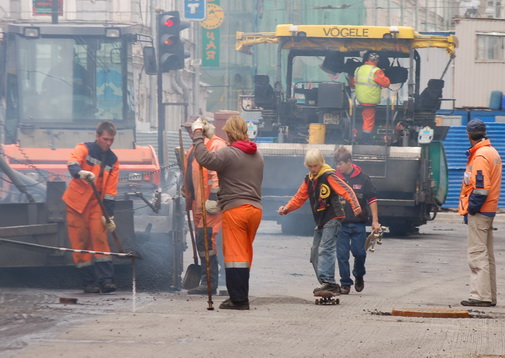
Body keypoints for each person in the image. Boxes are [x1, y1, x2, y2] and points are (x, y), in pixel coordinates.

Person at [191, 115, 263, 310]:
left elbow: (204, 158)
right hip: (255, 210)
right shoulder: (257, 155)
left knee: (234, 257)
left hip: (236, 210)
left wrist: (198, 134)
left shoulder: (230, 153)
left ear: (230, 133)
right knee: (245, 255)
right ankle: (240, 296)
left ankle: (239, 300)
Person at [278, 149, 361, 295]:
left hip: (333, 217)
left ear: (321, 163)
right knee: (315, 253)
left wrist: (355, 205)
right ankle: (328, 284)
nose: (312, 169)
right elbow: (299, 198)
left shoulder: (329, 176)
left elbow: (345, 190)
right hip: (321, 221)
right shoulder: (308, 179)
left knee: (325, 248)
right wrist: (286, 209)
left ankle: (328, 281)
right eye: (309, 166)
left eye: (315, 166)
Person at [62, 121, 119, 294]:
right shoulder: (84, 149)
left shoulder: (113, 160)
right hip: (76, 204)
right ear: (97, 136)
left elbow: (110, 191)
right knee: (80, 243)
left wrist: (108, 216)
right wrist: (81, 173)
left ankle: (106, 281)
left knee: (100, 239)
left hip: (96, 205)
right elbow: (72, 162)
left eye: (111, 140)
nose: (108, 143)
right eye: (105, 139)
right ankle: (88, 283)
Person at [182, 116, 227, 295]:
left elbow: (218, 174)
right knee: (203, 243)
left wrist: (215, 198)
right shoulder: (193, 149)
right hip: (198, 205)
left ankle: (210, 283)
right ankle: (206, 280)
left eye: (191, 129)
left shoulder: (216, 145)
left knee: (208, 243)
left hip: (210, 205)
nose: (189, 132)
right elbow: (192, 176)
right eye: (187, 129)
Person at [459, 119, 502, 307]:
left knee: (477, 253)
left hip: (481, 210)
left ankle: (480, 296)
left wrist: (472, 209)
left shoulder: (480, 156)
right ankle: (489, 295)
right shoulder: (492, 152)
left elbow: (481, 188)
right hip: (489, 209)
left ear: (469, 135)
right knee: (487, 255)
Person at [334, 146, 380, 294]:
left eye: (340, 163)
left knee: (359, 253)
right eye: (336, 163)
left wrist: (375, 221)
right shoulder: (334, 178)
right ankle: (345, 283)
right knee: (342, 255)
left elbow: (372, 200)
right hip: (340, 224)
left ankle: (359, 275)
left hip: (358, 223)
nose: (338, 166)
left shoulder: (363, 178)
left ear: (349, 162)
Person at [352, 51, 391, 143]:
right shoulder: (376, 71)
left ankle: (357, 135)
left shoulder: (358, 69)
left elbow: (352, 83)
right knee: (368, 120)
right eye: (377, 60)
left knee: (363, 117)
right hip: (369, 100)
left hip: (359, 100)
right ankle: (365, 139)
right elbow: (386, 83)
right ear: (375, 60)